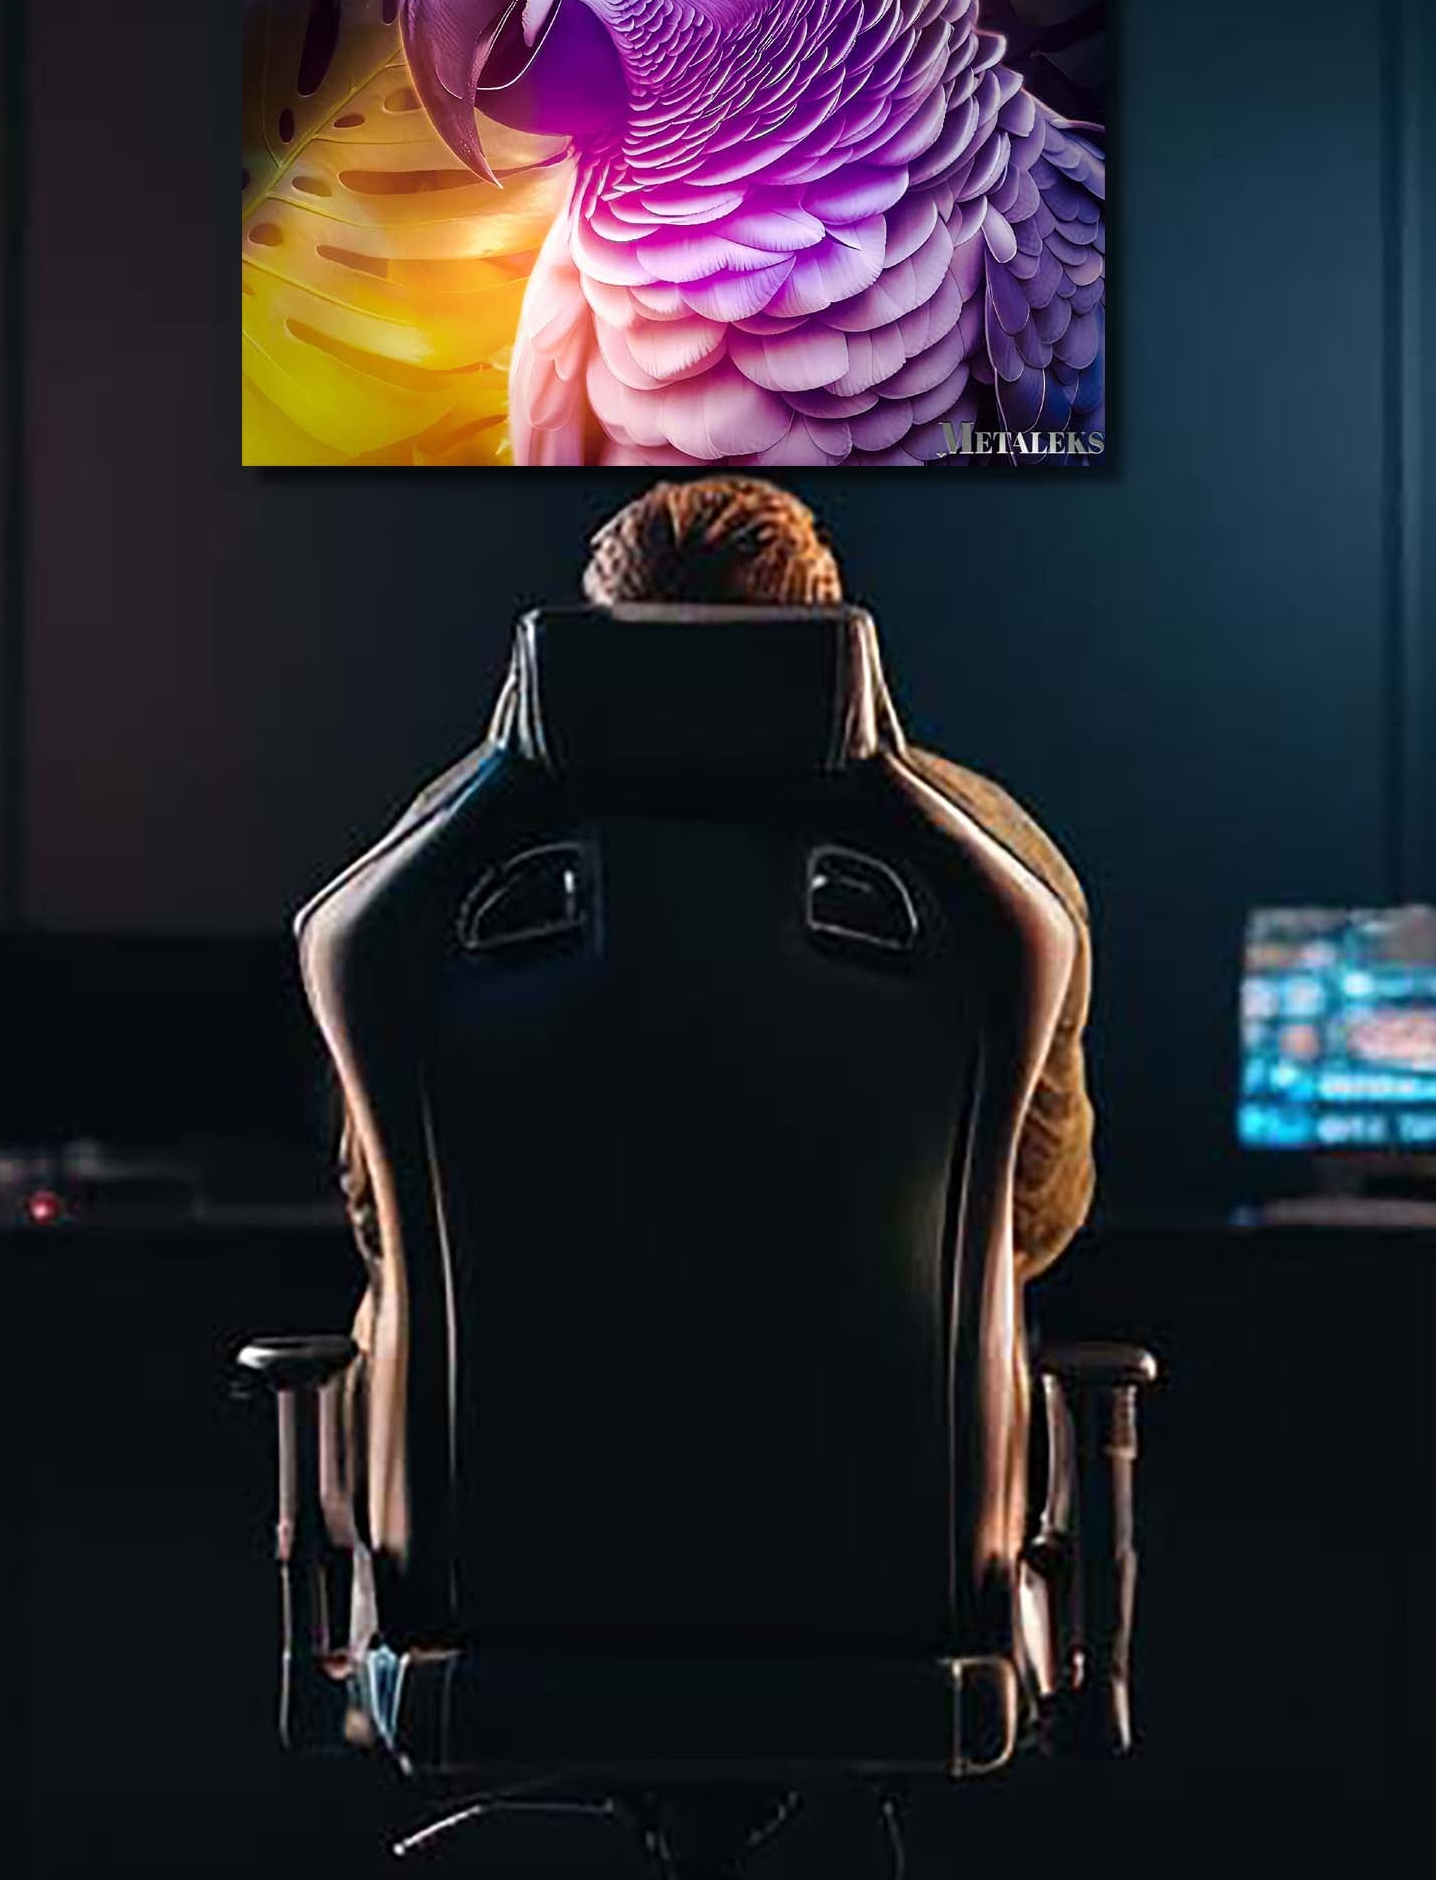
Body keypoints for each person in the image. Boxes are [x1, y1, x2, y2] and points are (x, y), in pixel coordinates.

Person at [333, 472, 1095, 1285]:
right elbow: (1032, 1216)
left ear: (593, 648)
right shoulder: (995, 867)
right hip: (883, 1398)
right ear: (832, 639)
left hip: (523, 1392)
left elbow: (380, 1213)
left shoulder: (445, 854)